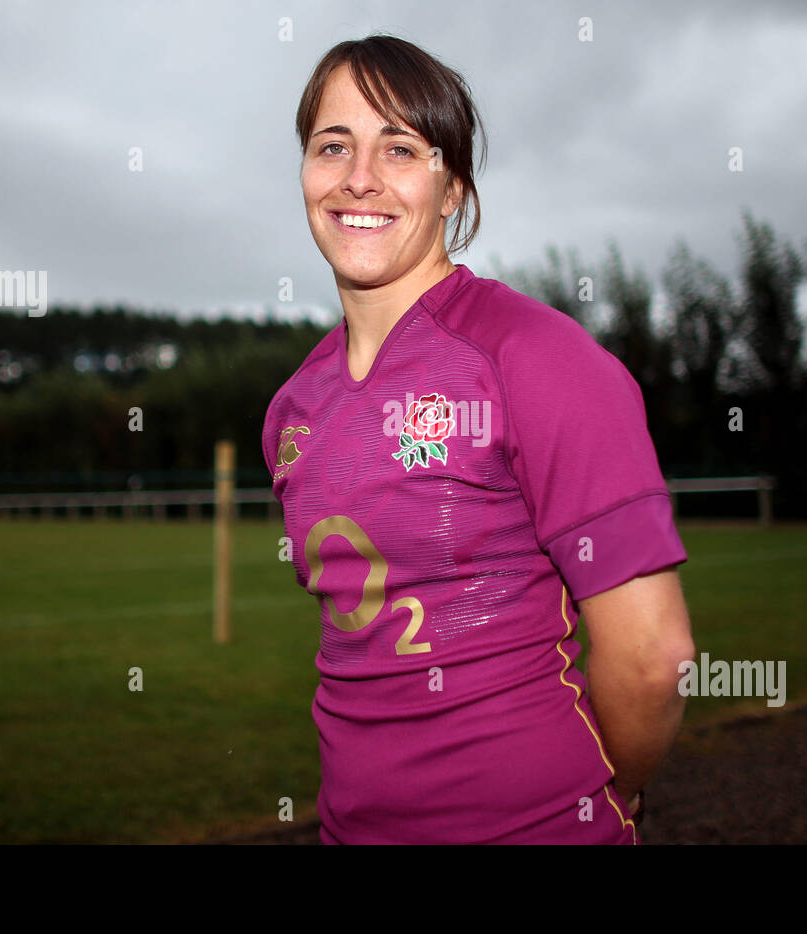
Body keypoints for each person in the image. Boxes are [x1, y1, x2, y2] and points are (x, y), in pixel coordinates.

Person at [262, 33, 694, 844]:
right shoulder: (295, 407)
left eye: (399, 147)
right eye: (333, 146)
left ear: (452, 184)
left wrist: (608, 802)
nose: (360, 177)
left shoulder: (537, 358)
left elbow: (654, 658)